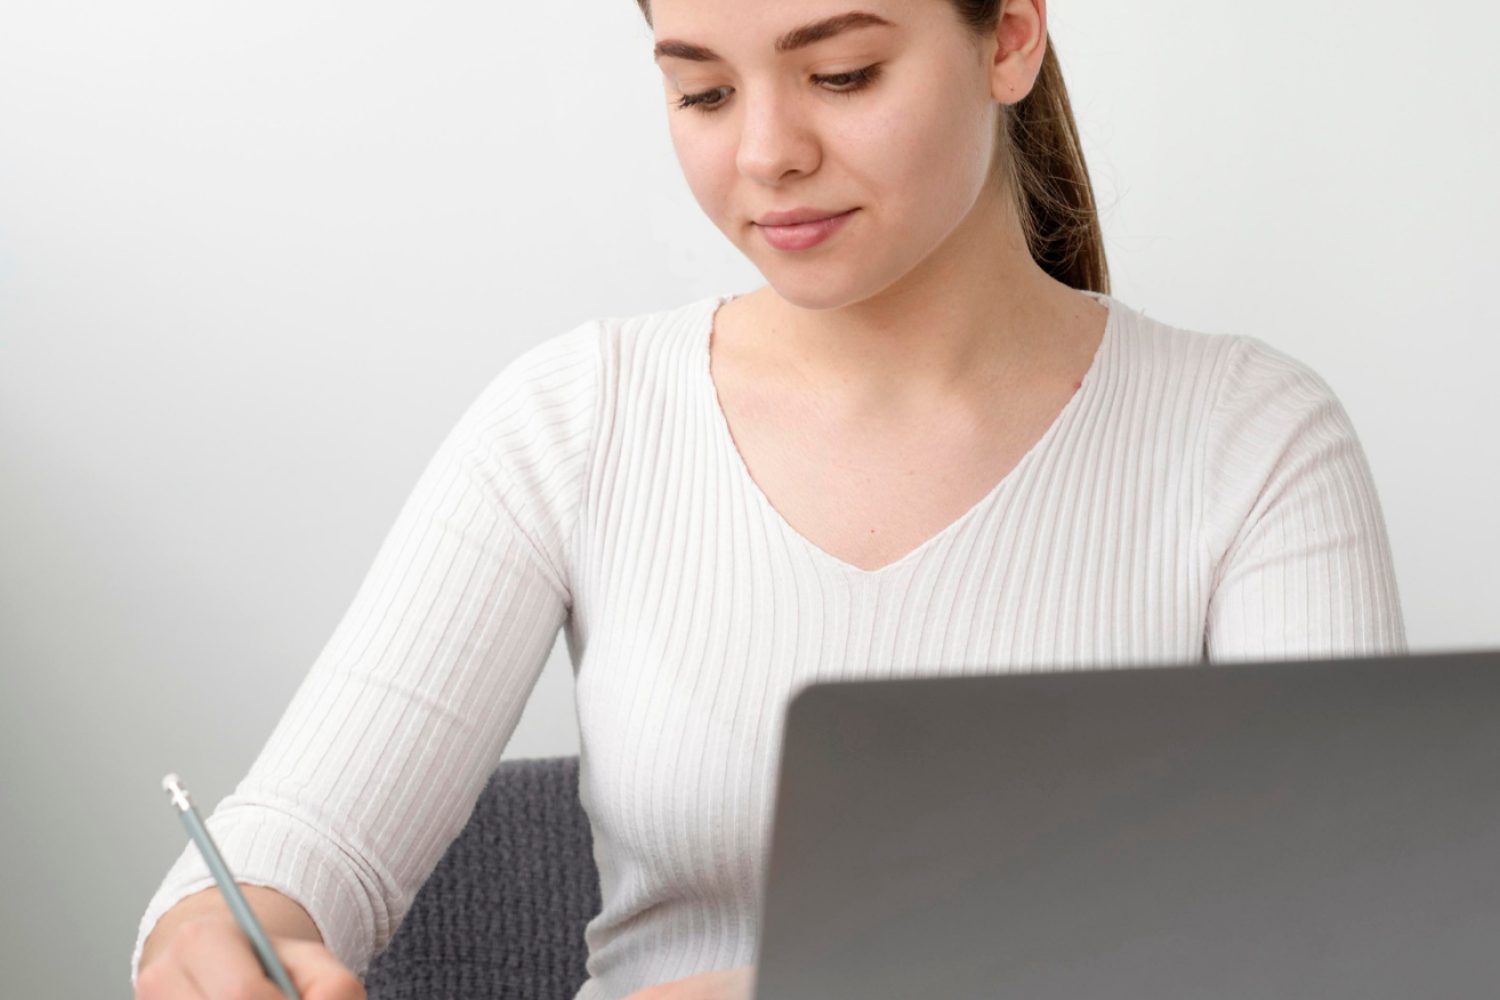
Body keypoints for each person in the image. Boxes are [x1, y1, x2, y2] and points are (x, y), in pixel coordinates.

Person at [130, 0, 1409, 997]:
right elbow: (305, 839)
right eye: (700, 88)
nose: (766, 153)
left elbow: (1345, 941)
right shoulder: (578, 420)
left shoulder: (1251, 441)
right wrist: (216, 924)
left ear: (1009, 34)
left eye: (843, 74)